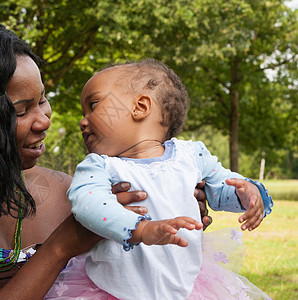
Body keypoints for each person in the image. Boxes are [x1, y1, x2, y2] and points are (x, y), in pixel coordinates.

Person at [0, 20, 212, 299]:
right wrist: (60, 247)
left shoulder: (74, 192)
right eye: (22, 110)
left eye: (42, 100)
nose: (44, 120)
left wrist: (173, 205)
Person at [46, 59, 273, 299]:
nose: (82, 121)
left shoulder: (191, 155)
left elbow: (220, 187)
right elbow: (86, 203)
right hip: (112, 290)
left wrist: (248, 192)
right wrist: (141, 229)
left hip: (187, 287)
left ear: (141, 106)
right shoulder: (99, 165)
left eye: (93, 105)